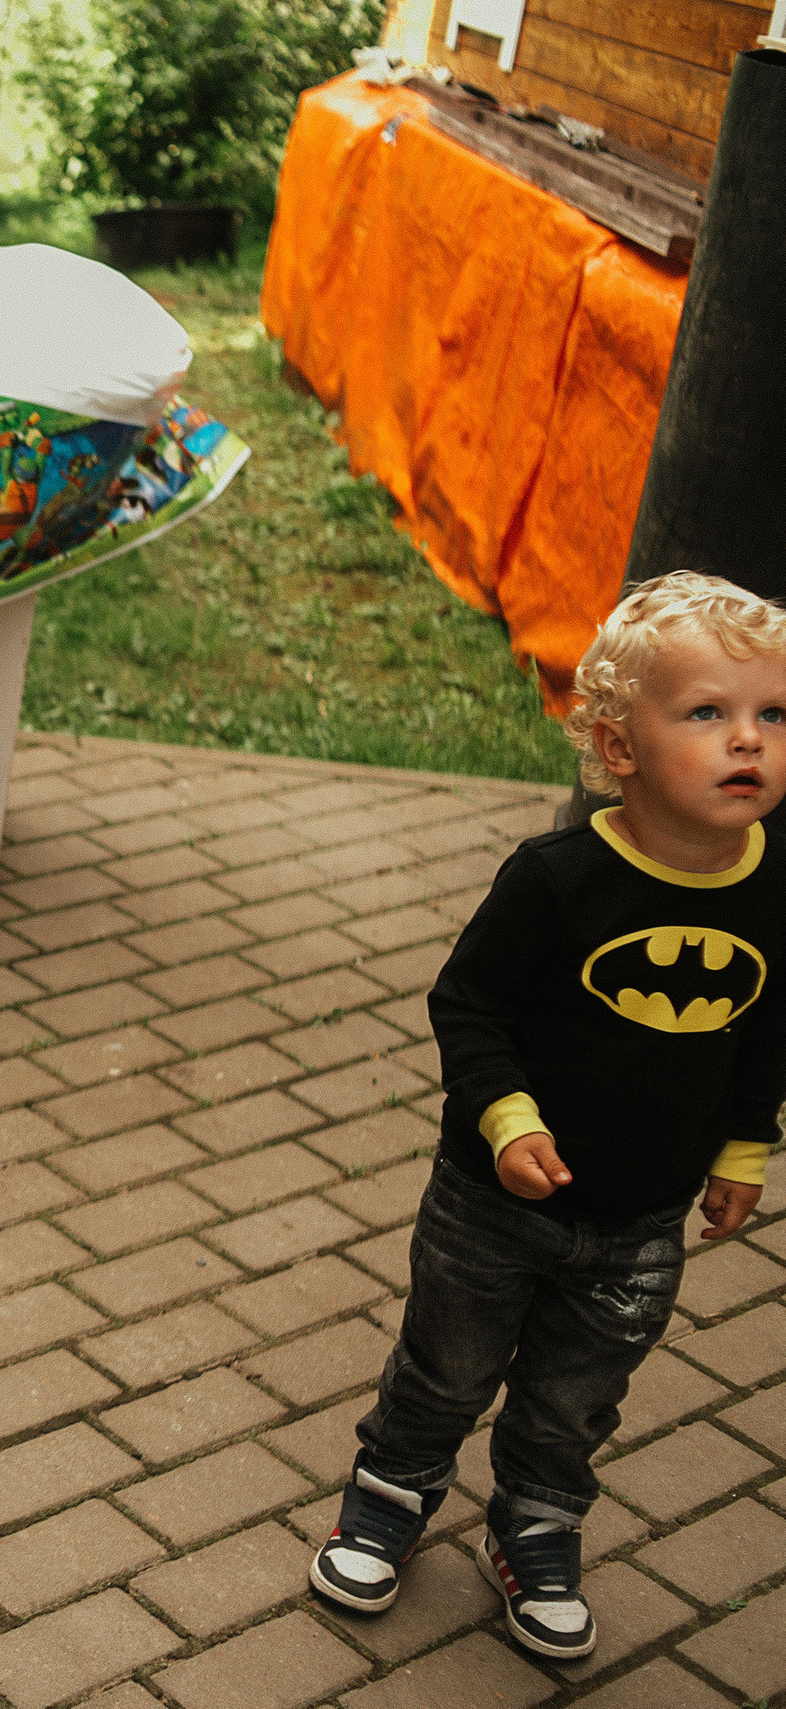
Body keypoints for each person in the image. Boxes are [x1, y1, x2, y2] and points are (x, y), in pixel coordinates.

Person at [309, 572, 786, 1659]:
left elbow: (762, 1026)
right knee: (446, 1365)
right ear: (619, 748)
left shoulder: (771, 886)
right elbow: (466, 1002)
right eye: (706, 713)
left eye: (771, 713)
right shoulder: (558, 878)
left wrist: (743, 1145)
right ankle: (392, 1490)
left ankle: (534, 1523)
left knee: (576, 1393)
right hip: (494, 1198)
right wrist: (506, 1118)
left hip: (640, 1216)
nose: (746, 740)